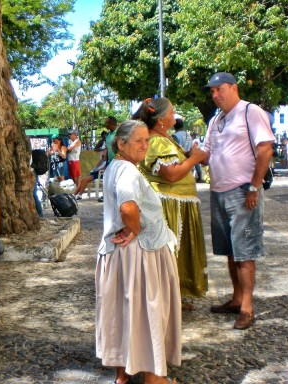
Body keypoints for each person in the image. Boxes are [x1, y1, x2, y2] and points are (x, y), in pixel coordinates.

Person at [96, 120, 181, 384]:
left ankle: (123, 374)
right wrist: (135, 229)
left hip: (121, 254)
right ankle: (155, 378)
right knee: (148, 313)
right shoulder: (127, 171)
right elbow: (128, 207)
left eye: (147, 140)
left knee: (126, 312)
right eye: (138, 141)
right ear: (121, 144)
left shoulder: (116, 167)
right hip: (138, 255)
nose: (145, 146)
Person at [202, 72, 275, 330]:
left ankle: (247, 307)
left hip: (243, 190)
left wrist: (255, 186)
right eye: (212, 91)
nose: (215, 95)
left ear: (234, 88)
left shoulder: (250, 112)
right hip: (219, 191)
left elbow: (265, 149)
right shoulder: (216, 119)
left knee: (244, 251)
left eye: (219, 89)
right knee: (231, 251)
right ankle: (236, 299)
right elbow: (205, 152)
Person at [134, 97, 209, 301]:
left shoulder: (162, 138)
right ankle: (165, 301)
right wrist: (194, 159)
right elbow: (170, 174)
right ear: (160, 120)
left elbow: (171, 165)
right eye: (171, 112)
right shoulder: (157, 140)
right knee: (168, 255)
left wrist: (187, 154)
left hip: (176, 203)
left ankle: (173, 298)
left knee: (173, 255)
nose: (173, 115)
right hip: (169, 207)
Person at [98, 117, 118, 203]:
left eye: (107, 123)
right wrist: (105, 154)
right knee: (108, 180)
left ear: (112, 124)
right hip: (109, 161)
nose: (105, 125)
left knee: (116, 182)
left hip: (118, 162)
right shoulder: (109, 134)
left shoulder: (119, 133)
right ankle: (107, 197)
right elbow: (107, 147)